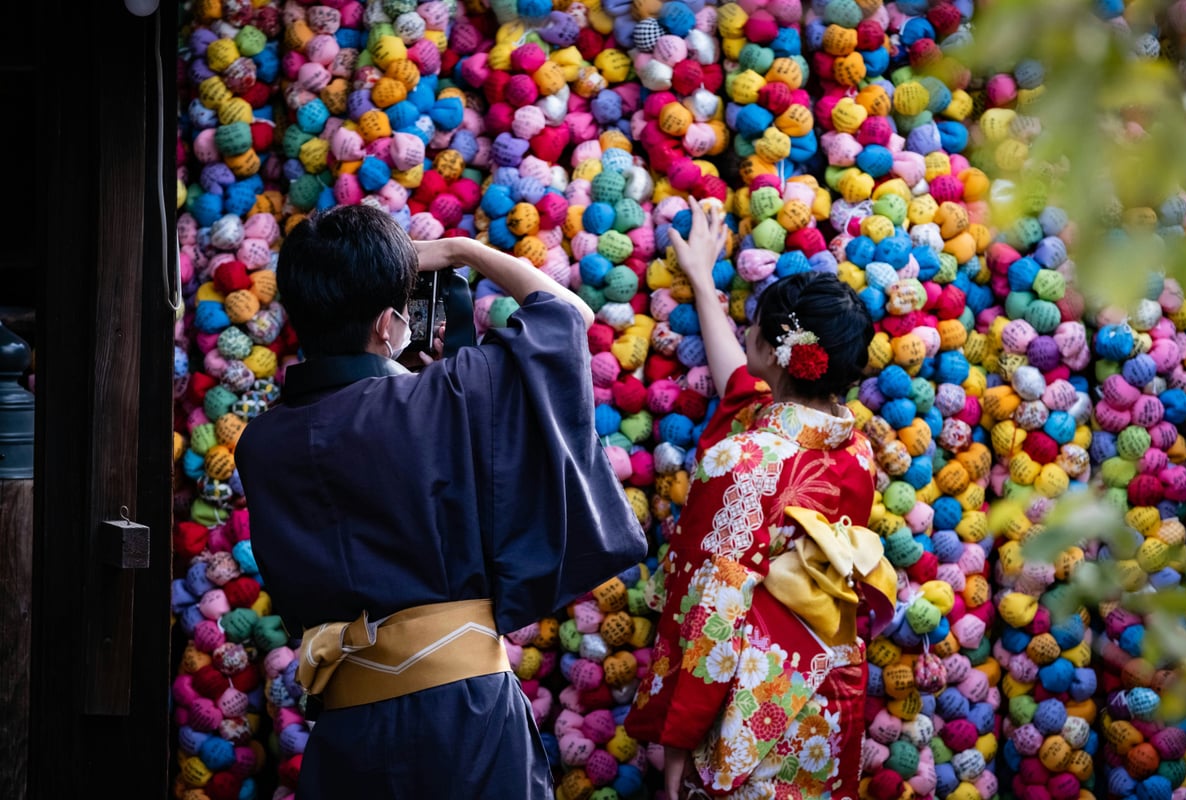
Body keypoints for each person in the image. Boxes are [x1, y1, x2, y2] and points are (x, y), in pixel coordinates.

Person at [236, 205, 647, 799]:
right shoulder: (448, 395)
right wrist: (460, 251)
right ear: (387, 324)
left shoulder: (260, 444)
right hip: (466, 719)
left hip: (347, 729)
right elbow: (568, 316)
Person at [623, 199, 897, 800]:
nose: (745, 332)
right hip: (826, 691)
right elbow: (743, 384)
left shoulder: (742, 459)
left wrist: (677, 736)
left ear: (776, 352)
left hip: (750, 708)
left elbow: (712, 607)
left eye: (754, 326)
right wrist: (701, 279)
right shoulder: (855, 452)